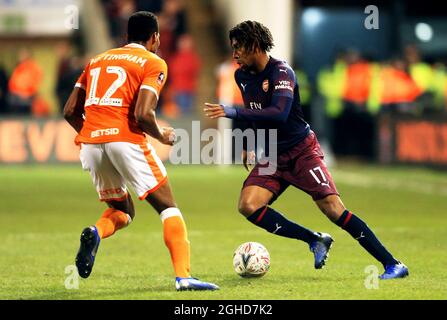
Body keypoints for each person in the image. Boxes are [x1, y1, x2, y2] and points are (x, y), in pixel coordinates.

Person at [204, 20, 408, 280]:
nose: (234, 55)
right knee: (248, 205)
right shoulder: (241, 75)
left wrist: (231, 111)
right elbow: (252, 112)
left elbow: (278, 114)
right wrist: (246, 144)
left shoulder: (282, 73)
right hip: (272, 155)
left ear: (255, 46)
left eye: (238, 48)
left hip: (301, 151)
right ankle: (314, 239)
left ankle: (393, 264)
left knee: (333, 209)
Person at [64, 11, 218, 291]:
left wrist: (93, 135)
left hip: (91, 144)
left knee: (122, 211)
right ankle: (184, 277)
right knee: (168, 208)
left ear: (126, 37)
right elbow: (144, 114)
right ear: (155, 37)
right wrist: (162, 135)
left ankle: (95, 232)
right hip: (125, 140)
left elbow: (69, 111)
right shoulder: (153, 61)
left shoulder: (95, 61)